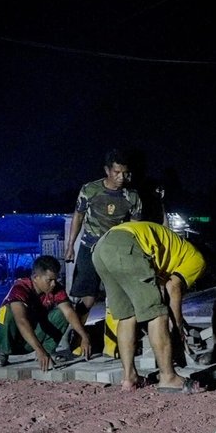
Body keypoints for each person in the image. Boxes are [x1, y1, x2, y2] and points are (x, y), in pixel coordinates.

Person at [91, 219, 206, 393]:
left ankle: (129, 377)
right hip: (126, 246)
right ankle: (168, 378)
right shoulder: (197, 259)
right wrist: (178, 330)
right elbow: (173, 287)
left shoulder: (174, 249)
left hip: (101, 248)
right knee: (157, 313)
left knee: (127, 315)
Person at [64, 149, 142, 359]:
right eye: (117, 172)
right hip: (89, 248)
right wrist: (70, 246)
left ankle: (113, 346)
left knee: (116, 298)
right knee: (87, 299)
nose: (121, 177)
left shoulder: (132, 196)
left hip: (115, 250)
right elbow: (78, 216)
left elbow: (135, 228)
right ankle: (77, 342)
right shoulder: (90, 190)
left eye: (125, 173)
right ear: (107, 170)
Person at [0, 255, 95, 372]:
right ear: (35, 277)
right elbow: (21, 321)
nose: (53, 284)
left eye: (55, 280)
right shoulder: (20, 287)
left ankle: (48, 351)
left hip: (31, 341)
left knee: (62, 313)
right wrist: (39, 350)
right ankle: (3, 352)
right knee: (8, 311)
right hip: (10, 339)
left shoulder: (55, 289)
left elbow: (69, 312)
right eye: (49, 280)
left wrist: (84, 336)